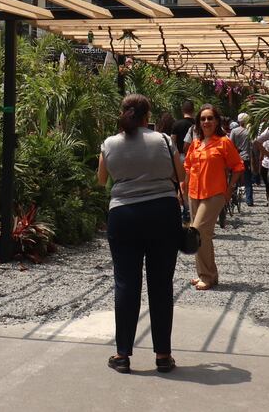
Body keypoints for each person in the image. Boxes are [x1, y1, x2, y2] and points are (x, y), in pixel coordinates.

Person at [97, 93, 181, 375]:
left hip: (124, 216)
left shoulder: (109, 144)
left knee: (126, 284)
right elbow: (179, 175)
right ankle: (163, 356)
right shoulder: (165, 141)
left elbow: (101, 179)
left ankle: (122, 356)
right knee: (161, 285)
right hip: (162, 213)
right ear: (148, 116)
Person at [183, 104, 244, 290]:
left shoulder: (223, 142)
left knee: (198, 231)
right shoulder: (195, 144)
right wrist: (183, 188)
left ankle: (207, 276)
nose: (206, 122)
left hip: (215, 194)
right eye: (203, 119)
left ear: (217, 121)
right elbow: (188, 167)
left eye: (210, 118)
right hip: (194, 193)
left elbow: (238, 166)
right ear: (198, 123)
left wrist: (230, 189)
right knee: (201, 235)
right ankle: (207, 274)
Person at [229, 113, 255, 207]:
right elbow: (252, 144)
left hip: (236, 158)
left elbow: (230, 145)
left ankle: (233, 196)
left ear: (239, 121)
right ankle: (249, 200)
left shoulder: (234, 131)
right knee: (248, 179)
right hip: (246, 157)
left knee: (233, 178)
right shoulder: (249, 131)